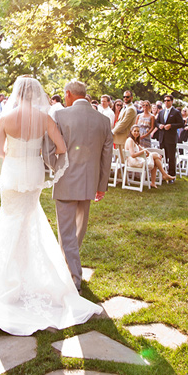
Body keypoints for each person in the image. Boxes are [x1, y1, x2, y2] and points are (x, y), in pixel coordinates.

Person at [0, 76, 102, 335]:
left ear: (17, 93)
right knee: (30, 220)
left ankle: (5, 279)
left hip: (12, 173)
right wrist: (54, 169)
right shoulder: (45, 119)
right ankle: (31, 275)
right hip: (33, 174)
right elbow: (61, 148)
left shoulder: (6, 118)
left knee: (9, 220)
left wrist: (14, 153)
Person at [48, 80, 114, 291]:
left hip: (66, 180)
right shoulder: (103, 120)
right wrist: (101, 185)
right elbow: (107, 156)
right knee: (78, 231)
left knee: (66, 232)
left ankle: (75, 278)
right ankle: (69, 267)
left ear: (68, 94)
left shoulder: (59, 116)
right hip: (89, 183)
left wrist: (54, 169)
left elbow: (49, 149)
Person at [155, 95, 185, 177]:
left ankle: (172, 175)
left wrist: (171, 125)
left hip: (171, 138)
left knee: (171, 158)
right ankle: (162, 173)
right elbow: (156, 122)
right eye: (165, 100)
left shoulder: (176, 112)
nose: (166, 102)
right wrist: (159, 125)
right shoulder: (161, 112)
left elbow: (181, 124)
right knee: (161, 156)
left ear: (172, 101)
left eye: (168, 100)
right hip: (162, 138)